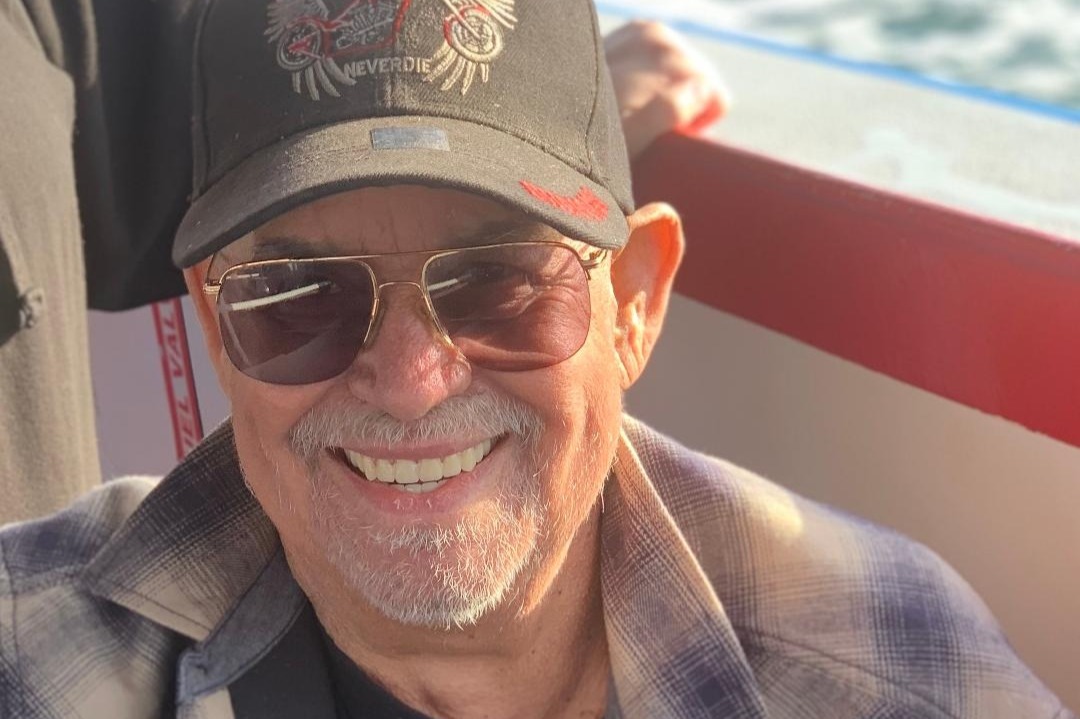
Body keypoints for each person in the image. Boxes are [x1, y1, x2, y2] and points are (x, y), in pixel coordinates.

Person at [0, 2, 1069, 719]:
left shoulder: (897, 672)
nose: (411, 381)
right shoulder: (30, 650)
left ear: (633, 303)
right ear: (215, 318)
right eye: (300, 297)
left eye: (498, 282)